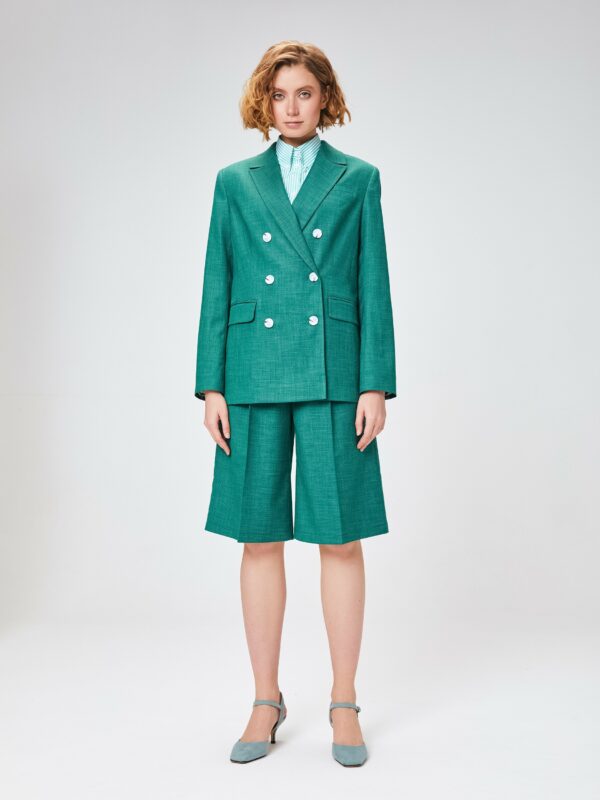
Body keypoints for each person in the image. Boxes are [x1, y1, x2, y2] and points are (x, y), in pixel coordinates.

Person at [194, 40, 396, 767]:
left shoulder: (358, 177)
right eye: (279, 95)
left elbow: (373, 283)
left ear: (325, 98)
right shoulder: (234, 182)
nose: (291, 107)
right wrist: (211, 384)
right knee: (258, 537)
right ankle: (265, 698)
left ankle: (344, 701)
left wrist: (374, 383)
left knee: (340, 536)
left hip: (335, 371)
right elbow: (217, 281)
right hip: (249, 372)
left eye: (304, 93)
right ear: (264, 102)